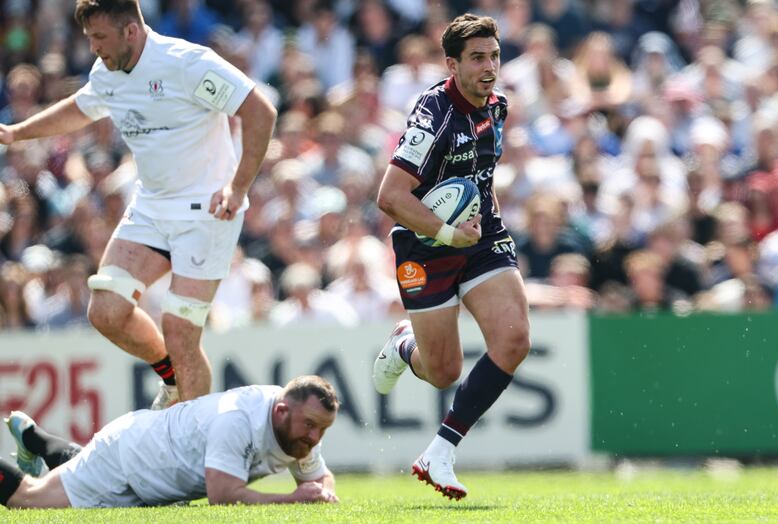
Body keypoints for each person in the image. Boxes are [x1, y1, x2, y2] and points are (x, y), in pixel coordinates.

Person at [0, 0, 278, 409]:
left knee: (181, 332)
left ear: (130, 31)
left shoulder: (187, 63)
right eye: (89, 38)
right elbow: (81, 108)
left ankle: (198, 450)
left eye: (100, 37)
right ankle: (172, 376)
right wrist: (16, 133)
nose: (93, 47)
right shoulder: (108, 71)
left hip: (206, 212)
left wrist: (237, 188)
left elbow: (260, 111)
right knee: (106, 310)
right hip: (151, 208)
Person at [373, 14, 530, 500]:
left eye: (495, 56)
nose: (489, 67)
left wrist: (485, 228)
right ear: (452, 64)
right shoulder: (433, 114)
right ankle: (405, 346)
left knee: (514, 340)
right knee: (444, 370)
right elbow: (390, 196)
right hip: (426, 243)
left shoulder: (497, 107)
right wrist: (445, 231)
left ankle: (440, 450)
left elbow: (481, 173)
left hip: (480, 237)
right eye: (478, 58)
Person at [0, 375, 339, 508]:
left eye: (322, 429)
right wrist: (293, 499)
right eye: (311, 426)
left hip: (147, 463)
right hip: (127, 459)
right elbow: (223, 496)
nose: (315, 437)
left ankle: (36, 439)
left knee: (81, 474)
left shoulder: (301, 430)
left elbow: (318, 477)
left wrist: (324, 491)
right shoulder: (238, 420)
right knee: (29, 499)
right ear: (280, 411)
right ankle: (39, 446)